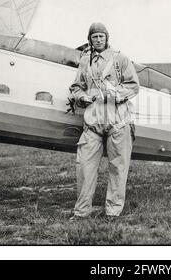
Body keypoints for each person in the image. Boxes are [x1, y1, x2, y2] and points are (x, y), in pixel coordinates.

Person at [68, 22, 139, 219]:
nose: (98, 40)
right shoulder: (85, 62)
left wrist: (116, 94)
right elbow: (76, 87)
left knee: (118, 167)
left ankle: (113, 212)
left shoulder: (120, 59)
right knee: (84, 167)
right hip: (93, 122)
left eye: (101, 36)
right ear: (89, 39)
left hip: (118, 120)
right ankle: (81, 212)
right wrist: (83, 97)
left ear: (107, 38)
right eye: (94, 37)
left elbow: (133, 86)